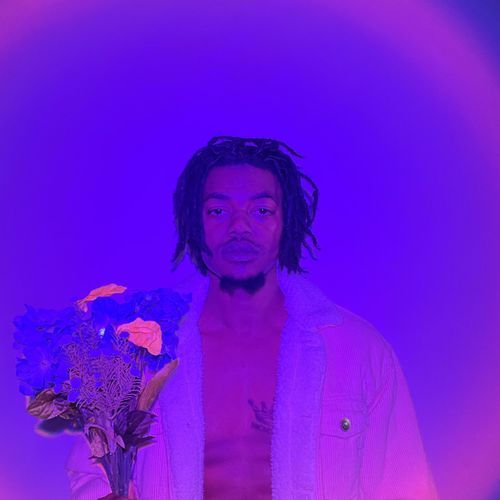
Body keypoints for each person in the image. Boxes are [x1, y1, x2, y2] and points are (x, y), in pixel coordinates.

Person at [66, 136, 439, 499]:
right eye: (218, 211)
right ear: (195, 222)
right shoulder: (137, 352)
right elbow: (92, 470)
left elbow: (403, 486)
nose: (240, 227)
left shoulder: (358, 350)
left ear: (286, 222)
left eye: (262, 210)